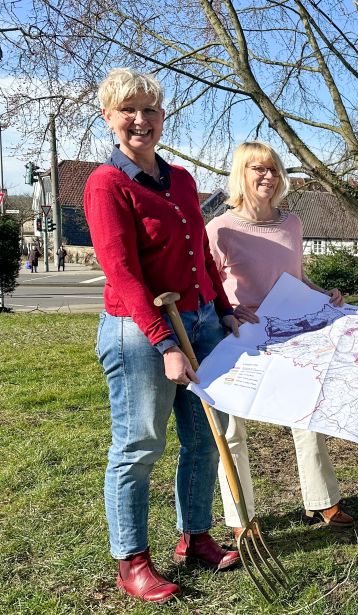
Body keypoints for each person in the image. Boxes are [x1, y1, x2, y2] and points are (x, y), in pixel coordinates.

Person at [84, 68, 243, 604]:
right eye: (128, 110)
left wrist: (222, 311)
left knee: (203, 438)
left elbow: (201, 255)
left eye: (150, 110)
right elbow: (123, 272)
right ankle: (131, 560)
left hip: (199, 321)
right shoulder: (106, 184)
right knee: (139, 445)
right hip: (138, 332)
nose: (140, 120)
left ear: (162, 117)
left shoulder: (181, 180)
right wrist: (166, 344)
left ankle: (194, 537)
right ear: (109, 117)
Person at [206, 141, 354, 535]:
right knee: (232, 430)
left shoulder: (292, 224)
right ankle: (241, 519)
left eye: (273, 169)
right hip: (239, 340)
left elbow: (296, 277)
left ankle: (323, 501)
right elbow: (205, 285)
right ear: (241, 174)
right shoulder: (219, 229)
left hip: (292, 336)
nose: (267, 176)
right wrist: (227, 311)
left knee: (308, 415)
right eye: (258, 169)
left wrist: (325, 294)